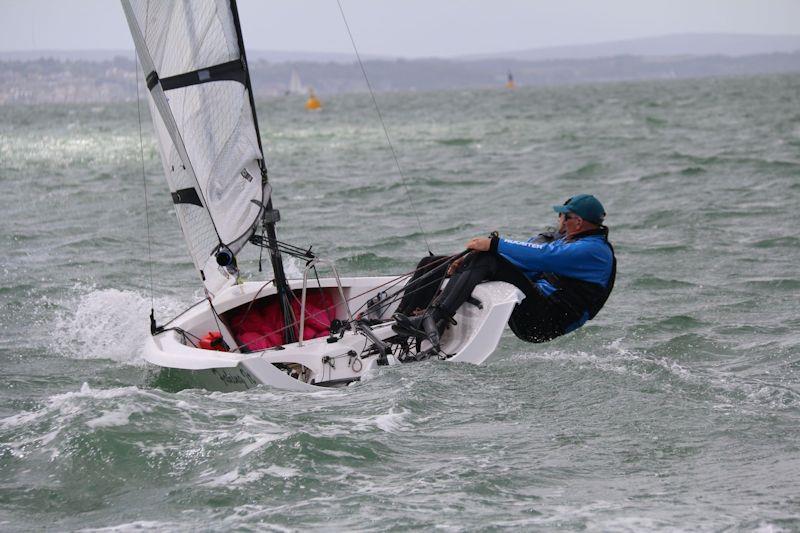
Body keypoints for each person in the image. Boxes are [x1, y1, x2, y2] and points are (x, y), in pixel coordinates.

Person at [392, 194, 616, 350]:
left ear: (577, 221)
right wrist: (465, 260)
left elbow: (543, 256)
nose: (560, 221)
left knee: (488, 256)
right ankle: (403, 318)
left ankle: (433, 318)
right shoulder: (572, 241)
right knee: (432, 262)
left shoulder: (593, 251)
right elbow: (527, 262)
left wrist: (494, 244)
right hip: (535, 304)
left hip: (546, 321)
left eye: (564, 216)